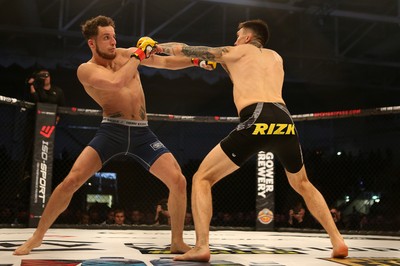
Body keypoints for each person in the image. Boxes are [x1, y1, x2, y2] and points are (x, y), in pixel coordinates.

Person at [13, 15, 214, 256]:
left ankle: (177, 241)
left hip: (143, 132)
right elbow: (116, 82)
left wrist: (194, 61)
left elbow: (166, 63)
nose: (112, 42)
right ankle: (36, 236)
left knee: (178, 180)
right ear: (92, 43)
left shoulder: (125, 54)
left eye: (113, 36)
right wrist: (138, 56)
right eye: (106, 38)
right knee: (72, 181)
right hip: (112, 130)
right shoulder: (86, 70)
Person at [155, 19, 349, 261]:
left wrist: (156, 46)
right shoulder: (276, 57)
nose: (235, 40)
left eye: (238, 36)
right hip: (284, 119)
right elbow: (241, 70)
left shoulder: (237, 50)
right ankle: (338, 241)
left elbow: (185, 49)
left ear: (247, 37)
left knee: (202, 178)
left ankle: (202, 246)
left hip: (256, 117)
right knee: (302, 183)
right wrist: (207, 62)